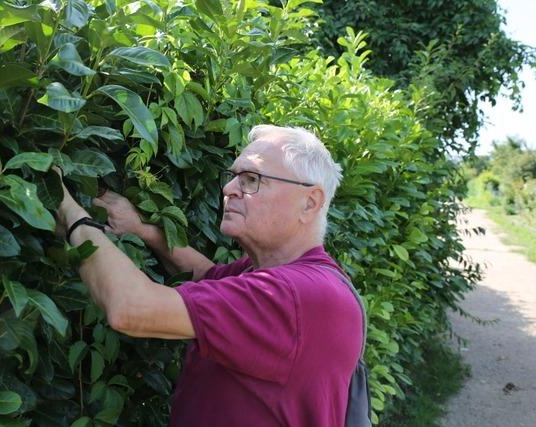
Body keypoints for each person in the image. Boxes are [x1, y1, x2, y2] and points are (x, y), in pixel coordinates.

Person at [55, 124, 363, 426]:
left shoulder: (295, 297)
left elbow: (131, 307)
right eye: (233, 177)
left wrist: (71, 214)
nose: (228, 189)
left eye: (251, 179)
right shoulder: (274, 272)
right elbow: (207, 276)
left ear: (309, 203)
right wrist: (140, 229)